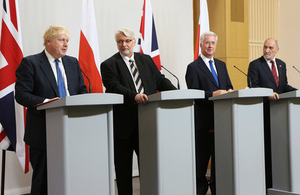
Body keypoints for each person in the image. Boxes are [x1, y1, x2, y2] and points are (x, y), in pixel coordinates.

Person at [100, 28, 176, 195]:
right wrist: (134, 96)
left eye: (127, 41)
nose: (124, 44)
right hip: (124, 127)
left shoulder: (146, 60)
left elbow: (160, 81)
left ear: (134, 42)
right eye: (120, 41)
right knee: (123, 170)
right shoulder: (109, 64)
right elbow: (114, 87)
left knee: (149, 167)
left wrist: (177, 93)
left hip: (148, 123)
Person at [15, 25, 87, 195]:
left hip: (72, 130)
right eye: (61, 40)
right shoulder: (31, 63)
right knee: (43, 180)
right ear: (48, 41)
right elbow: (21, 94)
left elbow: (82, 90)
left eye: (67, 41)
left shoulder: (72, 62)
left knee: (71, 177)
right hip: (43, 132)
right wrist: (47, 102)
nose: (66, 44)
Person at [185, 31, 233, 195]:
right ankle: (199, 190)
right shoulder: (193, 67)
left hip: (222, 120)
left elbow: (228, 86)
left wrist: (230, 91)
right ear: (201, 45)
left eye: (213, 43)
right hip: (203, 123)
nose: (210, 46)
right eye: (207, 43)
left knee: (219, 161)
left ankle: (217, 190)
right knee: (201, 163)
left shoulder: (221, 65)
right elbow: (193, 94)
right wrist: (212, 94)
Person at [247, 38, 297, 189]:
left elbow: (283, 86)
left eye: (270, 48)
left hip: (280, 115)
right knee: (266, 150)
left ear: (277, 49)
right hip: (263, 113)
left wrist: (297, 91)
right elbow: (253, 87)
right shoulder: (255, 65)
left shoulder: (281, 64)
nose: (267, 50)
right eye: (265, 47)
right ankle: (266, 184)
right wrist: (267, 94)